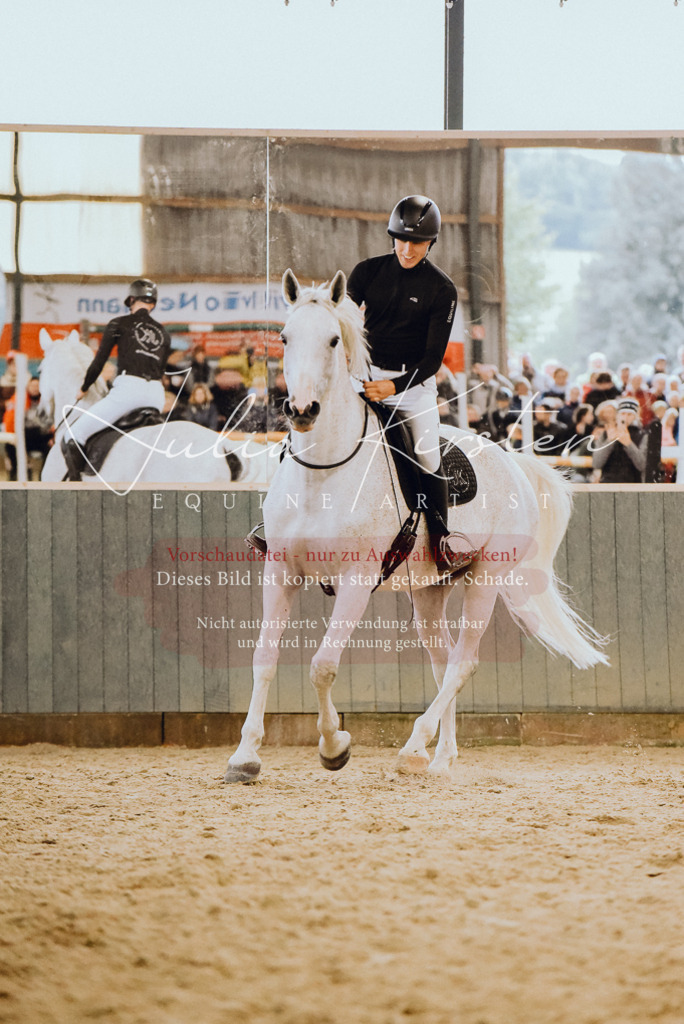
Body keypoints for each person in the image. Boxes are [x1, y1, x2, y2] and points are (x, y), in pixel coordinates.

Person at [347, 194, 468, 573]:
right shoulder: (366, 272)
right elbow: (343, 320)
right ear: (392, 237)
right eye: (401, 239)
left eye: (417, 242)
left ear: (431, 243)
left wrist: (394, 387)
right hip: (362, 375)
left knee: (428, 453)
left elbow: (432, 360)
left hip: (412, 386)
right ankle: (275, 523)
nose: (407, 249)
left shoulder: (442, 289)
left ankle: (441, 538)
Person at [63, 279, 171, 480]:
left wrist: (84, 388)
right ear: (153, 304)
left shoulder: (119, 323)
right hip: (156, 396)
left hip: (129, 391)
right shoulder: (164, 333)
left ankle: (76, 488)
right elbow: (161, 369)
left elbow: (99, 362)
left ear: (131, 300)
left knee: (73, 434)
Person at [592, 396, 647, 483]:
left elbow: (642, 465)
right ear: (617, 415)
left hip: (633, 485)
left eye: (629, 414)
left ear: (635, 416)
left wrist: (629, 444)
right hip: (608, 483)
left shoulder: (643, 435)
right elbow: (596, 463)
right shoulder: (606, 434)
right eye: (623, 414)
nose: (625, 418)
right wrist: (610, 441)